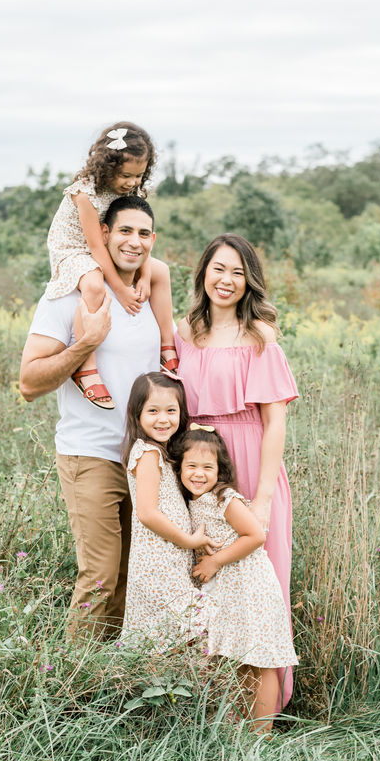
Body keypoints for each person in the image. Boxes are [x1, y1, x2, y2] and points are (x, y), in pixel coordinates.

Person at [19, 195, 161, 638]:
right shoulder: (70, 293)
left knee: (132, 578)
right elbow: (28, 382)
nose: (133, 243)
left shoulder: (151, 291)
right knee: (99, 577)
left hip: (145, 460)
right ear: (102, 234)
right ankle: (70, 692)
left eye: (142, 233)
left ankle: (110, 684)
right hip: (91, 454)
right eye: (123, 231)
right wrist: (85, 344)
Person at [174, 233, 299, 706]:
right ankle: (209, 703)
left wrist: (262, 500)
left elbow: (274, 424)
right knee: (201, 576)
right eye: (218, 268)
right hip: (198, 465)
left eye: (237, 272)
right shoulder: (183, 333)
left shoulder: (259, 339)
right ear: (203, 271)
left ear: (250, 283)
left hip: (248, 459)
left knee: (262, 582)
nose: (225, 280)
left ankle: (267, 704)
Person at [45, 121, 178, 410]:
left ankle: (167, 346)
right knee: (93, 283)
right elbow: (94, 246)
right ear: (107, 167)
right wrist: (119, 290)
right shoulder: (85, 193)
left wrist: (144, 275)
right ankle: (86, 367)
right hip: (75, 248)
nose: (131, 183)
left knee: (162, 271)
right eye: (125, 175)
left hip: (109, 246)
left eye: (139, 176)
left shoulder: (132, 190)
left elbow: (140, 234)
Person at [176, 426, 298, 732]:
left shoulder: (224, 499)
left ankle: (262, 736)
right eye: (191, 466)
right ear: (179, 467)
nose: (199, 474)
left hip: (249, 584)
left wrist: (216, 560)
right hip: (229, 589)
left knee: (262, 659)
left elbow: (255, 535)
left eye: (208, 467)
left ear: (221, 470)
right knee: (240, 657)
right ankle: (242, 729)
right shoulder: (191, 501)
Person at [120, 372, 217, 647]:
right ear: (136, 413)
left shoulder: (162, 452)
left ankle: (168, 687)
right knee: (192, 622)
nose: (163, 419)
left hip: (169, 561)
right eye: (153, 411)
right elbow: (147, 513)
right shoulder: (147, 453)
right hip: (156, 566)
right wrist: (189, 540)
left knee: (170, 636)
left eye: (171, 411)